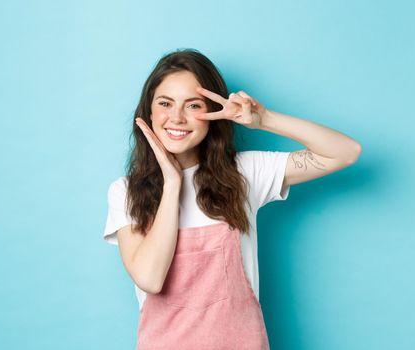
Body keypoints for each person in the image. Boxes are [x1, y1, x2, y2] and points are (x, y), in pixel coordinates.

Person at [103, 48, 362, 349]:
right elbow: (150, 279)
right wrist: (173, 183)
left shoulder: (243, 174)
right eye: (165, 103)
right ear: (147, 111)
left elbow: (345, 152)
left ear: (212, 114)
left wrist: (264, 119)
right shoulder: (124, 192)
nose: (177, 117)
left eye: (193, 105)